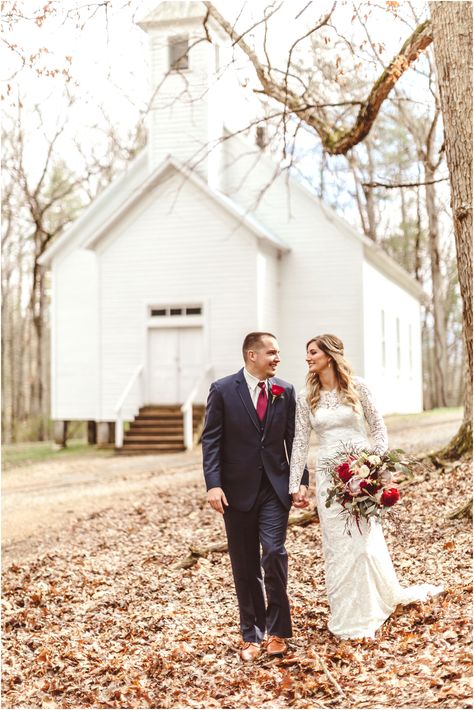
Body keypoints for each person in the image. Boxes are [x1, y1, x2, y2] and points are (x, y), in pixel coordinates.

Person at [289, 334, 443, 640]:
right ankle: (348, 613)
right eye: (307, 353)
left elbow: (378, 426)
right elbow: (300, 442)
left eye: (312, 352)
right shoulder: (306, 397)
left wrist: (377, 464)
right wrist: (296, 484)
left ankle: (374, 605)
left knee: (364, 542)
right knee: (338, 547)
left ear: (329, 356)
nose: (307, 358)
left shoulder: (358, 387)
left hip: (362, 472)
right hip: (329, 479)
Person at [202, 332, 309, 661]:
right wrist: (213, 484)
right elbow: (212, 441)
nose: (278, 358)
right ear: (252, 355)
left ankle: (278, 632)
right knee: (245, 565)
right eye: (272, 353)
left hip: (274, 490)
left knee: (274, 553)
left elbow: (296, 441)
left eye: (278, 352)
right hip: (235, 492)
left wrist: (300, 480)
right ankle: (251, 634)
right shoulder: (222, 390)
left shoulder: (285, 391)